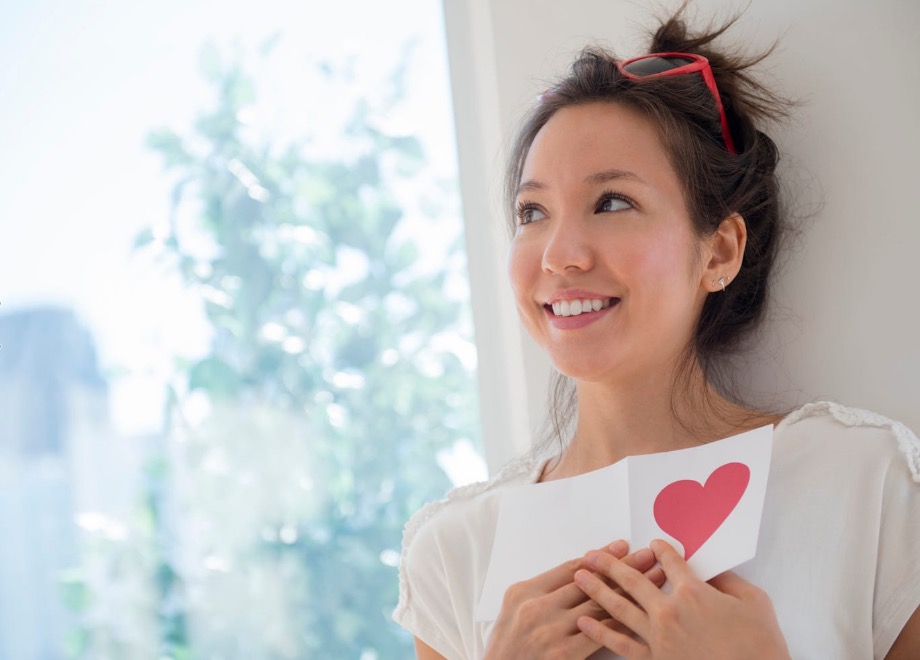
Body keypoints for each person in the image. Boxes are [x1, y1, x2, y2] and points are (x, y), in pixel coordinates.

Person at [393, 7, 920, 659]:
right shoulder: (453, 551)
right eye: (532, 211)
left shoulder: (861, 480)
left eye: (612, 202)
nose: (559, 254)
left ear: (720, 251)